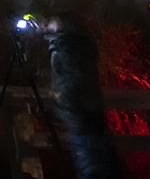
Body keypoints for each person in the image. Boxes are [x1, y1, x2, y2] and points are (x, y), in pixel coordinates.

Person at [44, 12, 122, 179]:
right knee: (103, 166)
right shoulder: (81, 47)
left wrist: (59, 108)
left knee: (91, 169)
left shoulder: (66, 49)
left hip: (80, 120)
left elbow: (74, 82)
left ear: (63, 26)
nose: (48, 25)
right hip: (93, 117)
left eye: (53, 22)